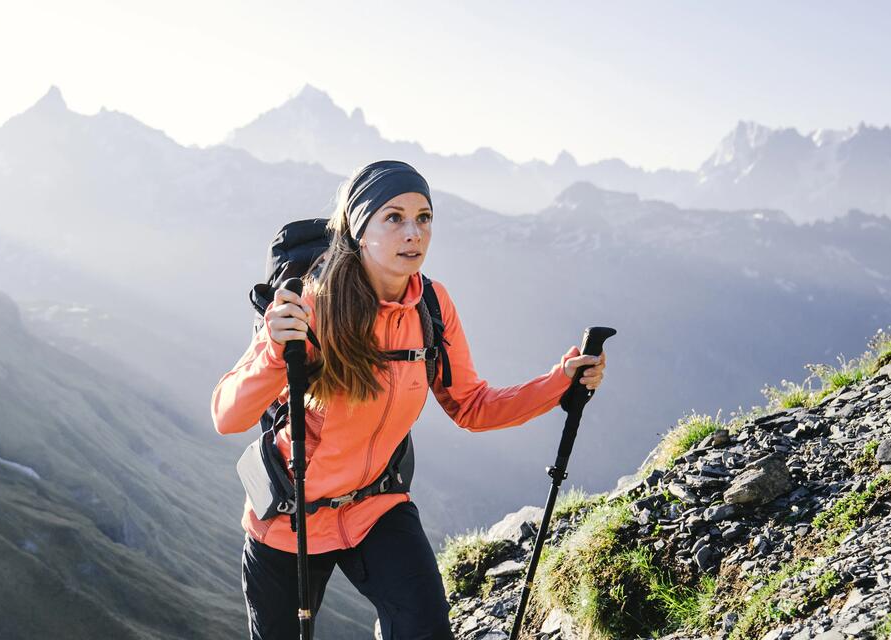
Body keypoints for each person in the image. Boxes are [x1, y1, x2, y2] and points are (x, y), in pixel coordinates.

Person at [211, 161, 608, 640]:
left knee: (426, 630)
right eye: (393, 217)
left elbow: (472, 407)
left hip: (376, 506)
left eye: (424, 217)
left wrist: (558, 383)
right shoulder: (308, 307)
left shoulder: (432, 307)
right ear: (359, 229)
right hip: (288, 520)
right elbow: (227, 416)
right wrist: (276, 350)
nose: (413, 233)